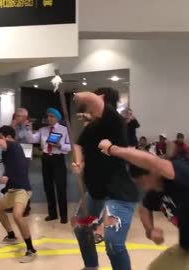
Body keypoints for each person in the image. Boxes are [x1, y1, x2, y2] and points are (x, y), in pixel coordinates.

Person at [98, 139, 189, 270]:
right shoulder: (156, 188)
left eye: (141, 183)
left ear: (152, 172)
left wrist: (113, 149)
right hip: (187, 246)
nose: (143, 188)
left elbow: (153, 162)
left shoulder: (180, 171)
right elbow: (144, 208)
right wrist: (150, 230)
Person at [72, 88, 139, 270]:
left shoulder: (114, 121)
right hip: (96, 192)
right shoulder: (92, 126)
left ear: (102, 99)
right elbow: (78, 144)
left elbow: (91, 98)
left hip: (118, 194)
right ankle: (91, 266)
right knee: (81, 228)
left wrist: (76, 96)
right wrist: (79, 162)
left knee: (113, 243)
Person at [0, 126, 37, 263]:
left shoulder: (13, 145)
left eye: (0, 137)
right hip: (12, 190)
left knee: (17, 215)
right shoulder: (11, 150)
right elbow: (14, 165)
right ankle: (11, 235)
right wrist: (6, 176)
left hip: (22, 190)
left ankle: (30, 249)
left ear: (6, 137)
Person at [27, 107, 71, 223]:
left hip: (58, 159)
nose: (49, 118)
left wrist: (60, 146)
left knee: (61, 188)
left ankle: (64, 216)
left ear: (57, 118)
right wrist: (28, 128)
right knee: (48, 187)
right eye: (48, 116)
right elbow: (32, 139)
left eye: (52, 116)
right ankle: (52, 214)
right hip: (46, 158)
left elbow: (69, 146)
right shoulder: (42, 130)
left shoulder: (64, 130)